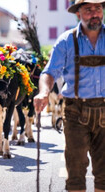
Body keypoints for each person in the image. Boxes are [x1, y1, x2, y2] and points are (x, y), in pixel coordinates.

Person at [34, 0, 105, 191]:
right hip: (75, 112)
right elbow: (49, 73)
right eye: (88, 9)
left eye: (98, 8)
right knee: (75, 172)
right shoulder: (66, 40)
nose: (94, 13)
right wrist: (43, 92)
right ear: (78, 14)